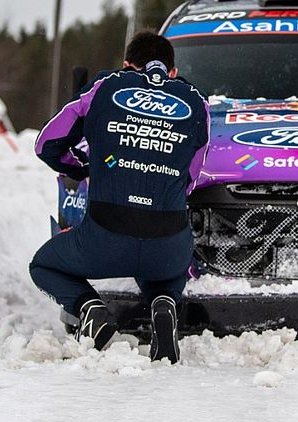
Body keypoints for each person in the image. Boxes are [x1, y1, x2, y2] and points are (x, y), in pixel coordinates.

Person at [31, 31, 210, 363]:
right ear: (172, 71)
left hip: (104, 239)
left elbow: (46, 143)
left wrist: (85, 167)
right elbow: (190, 178)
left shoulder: (105, 88)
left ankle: (91, 310)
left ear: (127, 65)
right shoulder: (197, 102)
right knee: (168, 270)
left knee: (42, 265)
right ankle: (164, 305)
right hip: (168, 246)